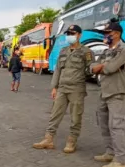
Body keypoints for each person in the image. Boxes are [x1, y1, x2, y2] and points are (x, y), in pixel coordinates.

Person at [33, 25, 93, 154]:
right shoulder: (63, 51)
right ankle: (48, 139)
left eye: (73, 33)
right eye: (68, 33)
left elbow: (90, 70)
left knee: (76, 117)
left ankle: (72, 141)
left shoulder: (86, 52)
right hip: (62, 88)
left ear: (79, 35)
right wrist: (54, 87)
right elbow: (58, 70)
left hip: (77, 89)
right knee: (54, 114)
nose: (70, 36)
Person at [91, 22, 125, 167]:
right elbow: (92, 67)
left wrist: (101, 67)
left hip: (118, 92)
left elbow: (111, 68)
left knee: (117, 126)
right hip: (104, 91)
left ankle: (121, 160)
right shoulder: (106, 51)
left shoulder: (124, 49)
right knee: (104, 124)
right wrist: (98, 67)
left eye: (107, 33)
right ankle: (110, 152)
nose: (105, 36)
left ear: (117, 33)